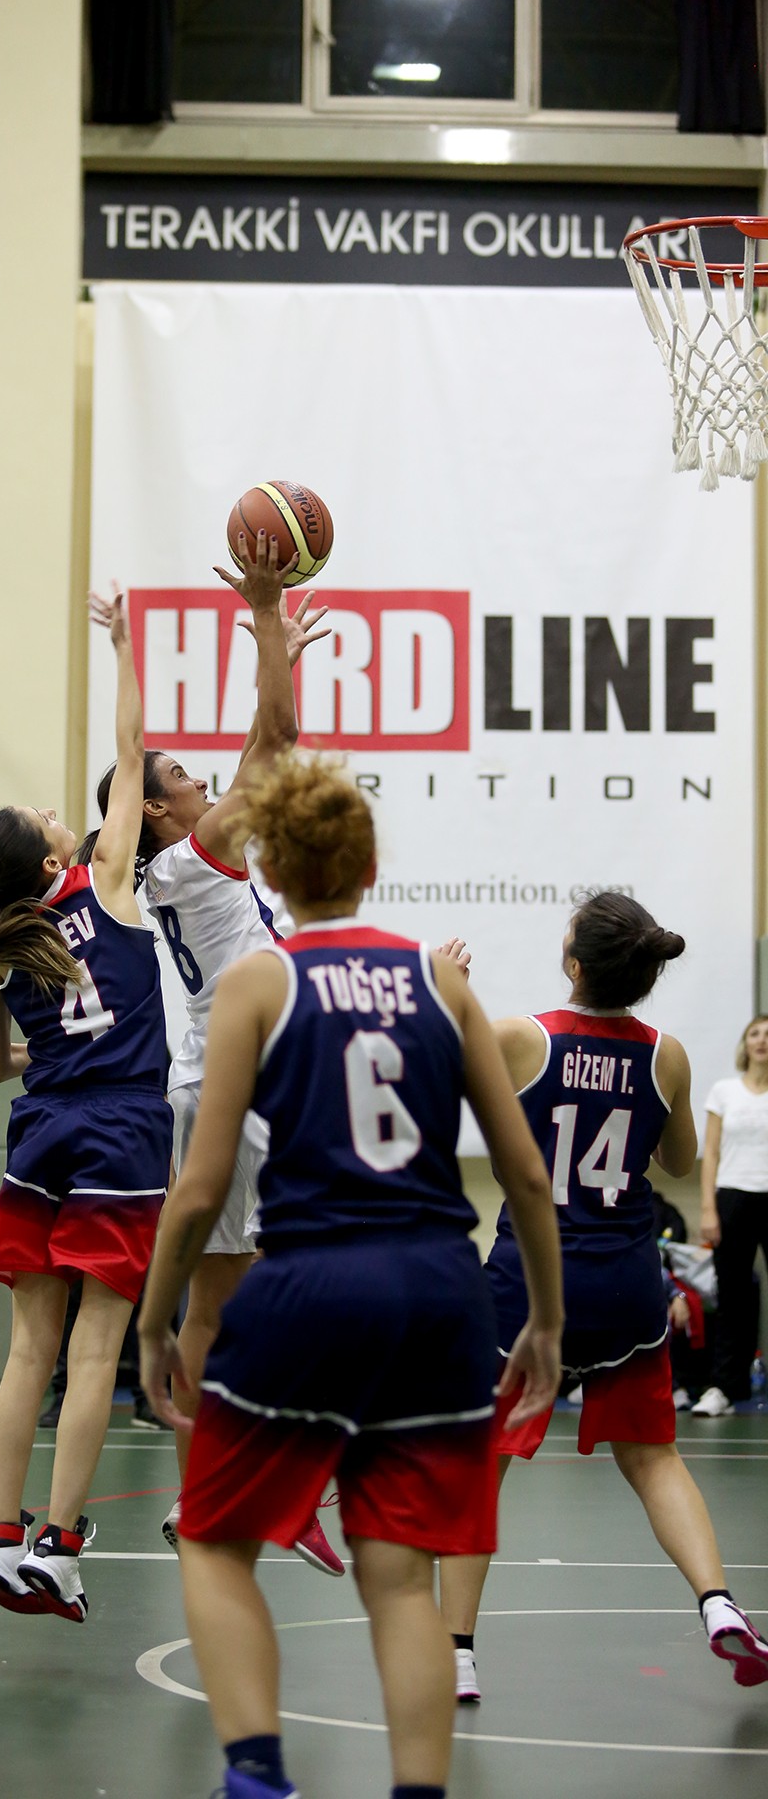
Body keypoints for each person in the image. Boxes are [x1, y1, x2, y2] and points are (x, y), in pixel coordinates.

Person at [139, 755, 564, 1799]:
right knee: (400, 1577)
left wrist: (154, 1325)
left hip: (312, 1284)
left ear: (273, 873)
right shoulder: (441, 981)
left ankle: (256, 1775)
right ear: (371, 866)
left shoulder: (258, 981)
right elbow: (524, 1173)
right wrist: (547, 1321)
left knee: (214, 1541)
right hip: (439, 1291)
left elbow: (200, 1191)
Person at [82, 529, 345, 1575]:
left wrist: (275, 641)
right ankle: (273, 1484)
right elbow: (275, 741)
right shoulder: (193, 861)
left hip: (225, 1092)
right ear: (158, 809)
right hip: (238, 1096)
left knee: (225, 1306)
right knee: (282, 1288)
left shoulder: (183, 866)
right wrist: (268, 617)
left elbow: (263, 748)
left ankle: (214, 1496)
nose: (202, 779)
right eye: (183, 775)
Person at [440, 891, 768, 1701]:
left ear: (574, 962)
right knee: (653, 1457)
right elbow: (680, 1164)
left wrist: (449, 994)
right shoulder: (667, 1055)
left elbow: (435, 1077)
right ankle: (719, 1603)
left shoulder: (523, 1037)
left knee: (483, 1462)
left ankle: (457, 1653)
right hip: (625, 1285)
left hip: (529, 1282)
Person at [0, 588, 173, 1624]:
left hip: (40, 1129)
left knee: (28, 1351)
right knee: (94, 1351)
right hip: (121, 1128)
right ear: (55, 863)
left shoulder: (5, 949)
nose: (59, 810)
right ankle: (62, 1543)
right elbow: (130, 755)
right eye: (48, 819)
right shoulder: (106, 882)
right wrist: (125, 647)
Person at [692, 1014, 768, 1416]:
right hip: (733, 1198)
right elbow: (711, 1153)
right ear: (745, 1044)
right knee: (732, 1297)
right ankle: (725, 1387)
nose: (762, 1040)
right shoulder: (724, 1091)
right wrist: (709, 1208)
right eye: (755, 1033)